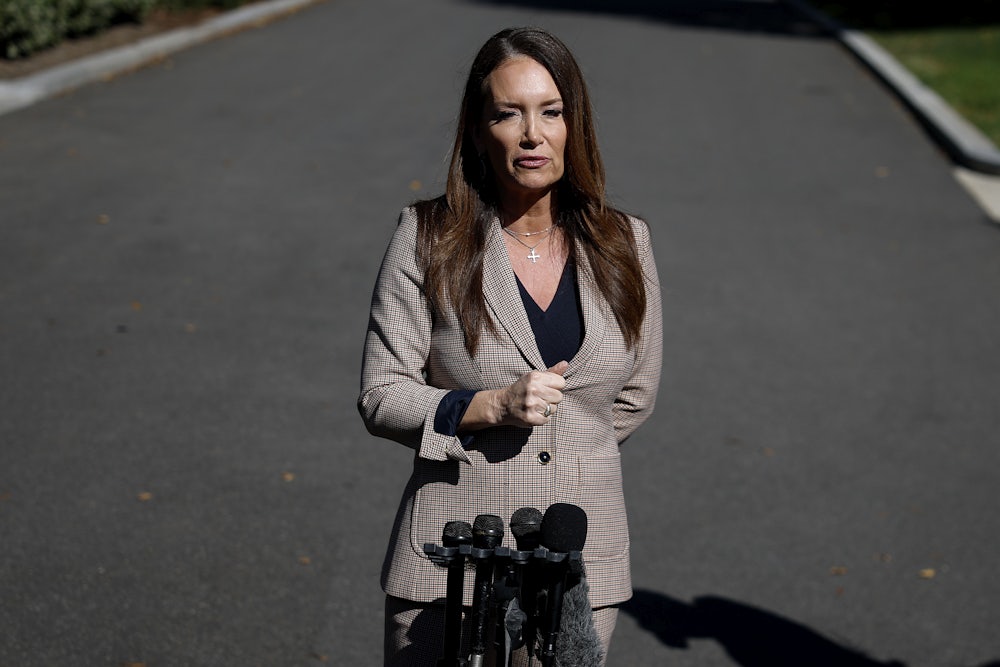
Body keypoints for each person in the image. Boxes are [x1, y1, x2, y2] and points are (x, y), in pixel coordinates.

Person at [359, 26, 662, 666]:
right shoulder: (427, 237)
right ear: (478, 130)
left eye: (551, 112)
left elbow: (632, 399)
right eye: (508, 114)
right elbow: (382, 395)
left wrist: (568, 451)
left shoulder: (624, 243)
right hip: (454, 561)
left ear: (573, 126)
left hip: (578, 564)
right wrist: (489, 408)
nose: (532, 134)